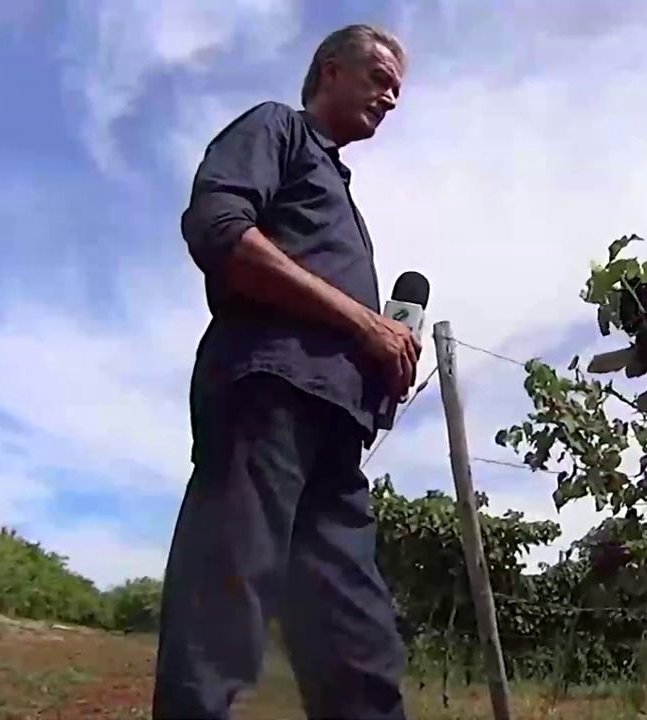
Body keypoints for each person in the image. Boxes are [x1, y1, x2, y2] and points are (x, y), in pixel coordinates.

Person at [152, 24, 419, 720]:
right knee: (223, 615)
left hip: (337, 437)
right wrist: (364, 324)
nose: (391, 98)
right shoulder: (279, 129)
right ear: (330, 70)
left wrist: (380, 359)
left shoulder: (340, 190)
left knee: (359, 644)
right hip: (267, 398)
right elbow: (218, 231)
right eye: (381, 77)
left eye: (397, 89)